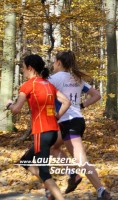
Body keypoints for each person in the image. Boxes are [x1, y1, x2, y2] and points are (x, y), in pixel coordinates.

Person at [47, 50, 112, 200]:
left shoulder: (54, 78)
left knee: (81, 159)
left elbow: (45, 95)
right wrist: (81, 105)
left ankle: (101, 190)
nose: (52, 65)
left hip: (68, 122)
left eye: (54, 62)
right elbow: (97, 95)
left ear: (58, 62)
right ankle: (72, 174)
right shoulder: (77, 79)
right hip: (76, 120)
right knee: (52, 147)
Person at [6, 54, 71, 200]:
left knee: (44, 172)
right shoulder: (48, 84)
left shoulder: (28, 85)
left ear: (30, 68)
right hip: (53, 132)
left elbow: (16, 109)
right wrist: (56, 116)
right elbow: (66, 102)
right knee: (25, 161)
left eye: (23, 68)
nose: (22, 71)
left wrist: (9, 104)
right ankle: (51, 190)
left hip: (41, 133)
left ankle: (56, 194)